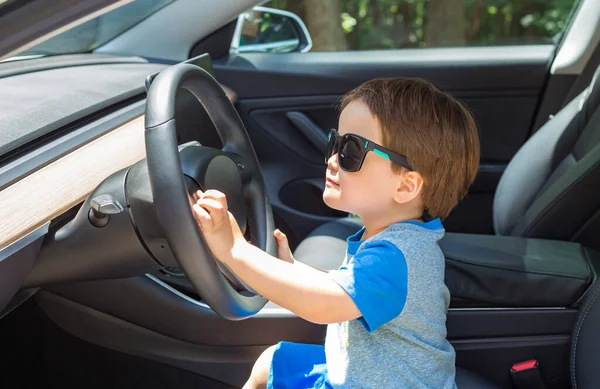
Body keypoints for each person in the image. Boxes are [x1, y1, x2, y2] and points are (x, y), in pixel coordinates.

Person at [192, 77, 480, 389]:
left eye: (350, 151)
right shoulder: (397, 239)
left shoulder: (397, 257)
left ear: (406, 185)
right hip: (360, 373)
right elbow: (345, 286)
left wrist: (234, 249)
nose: (331, 160)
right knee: (271, 363)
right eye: (335, 143)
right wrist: (293, 269)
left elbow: (324, 305)